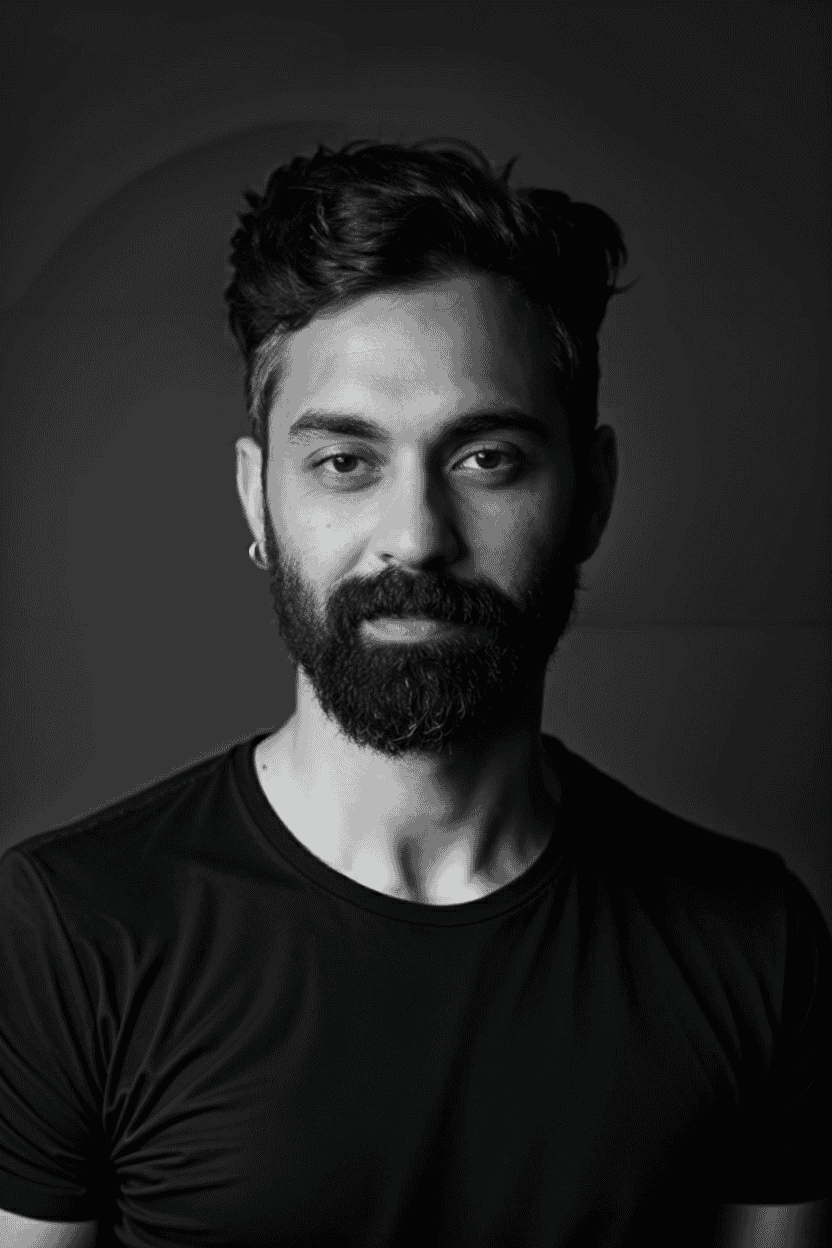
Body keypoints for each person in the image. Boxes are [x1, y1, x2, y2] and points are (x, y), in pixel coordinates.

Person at [0, 139, 829, 1248]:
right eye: (344, 461)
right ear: (258, 500)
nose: (415, 537)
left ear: (591, 496)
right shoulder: (69, 937)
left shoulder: (751, 945)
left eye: (486, 457)